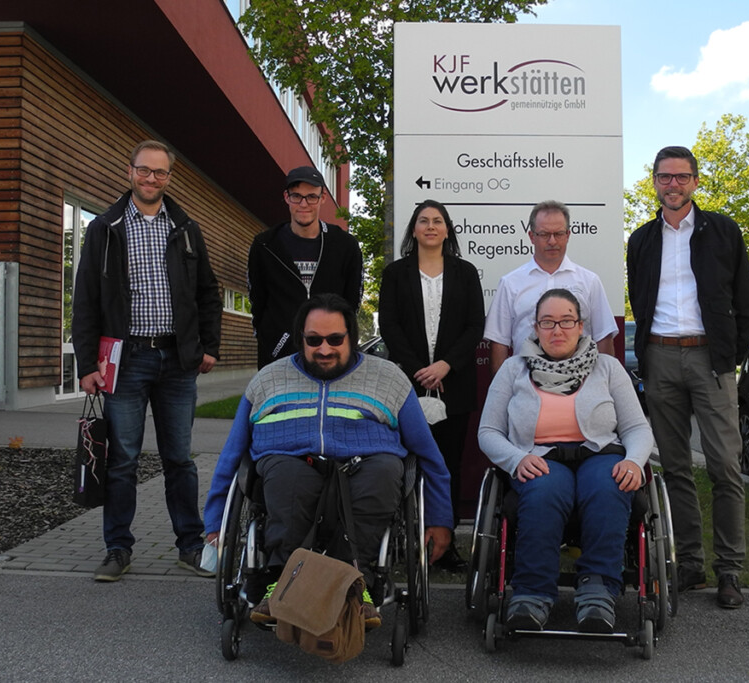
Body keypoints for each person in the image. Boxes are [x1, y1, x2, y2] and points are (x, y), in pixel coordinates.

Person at [203, 293, 453, 629]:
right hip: (290, 467)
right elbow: (232, 454)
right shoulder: (267, 381)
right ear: (300, 339)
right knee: (286, 478)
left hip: (366, 467)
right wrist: (215, 520)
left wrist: (440, 519)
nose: (325, 349)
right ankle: (283, 582)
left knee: (385, 472)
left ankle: (356, 586)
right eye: (314, 340)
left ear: (352, 336)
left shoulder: (389, 379)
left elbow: (428, 454)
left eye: (335, 339)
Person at [72, 139, 222, 582]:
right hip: (126, 359)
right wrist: (86, 365)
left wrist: (208, 345)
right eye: (144, 170)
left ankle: (190, 547)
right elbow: (85, 302)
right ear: (130, 172)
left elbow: (209, 294)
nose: (151, 178)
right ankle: (118, 549)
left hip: (177, 361)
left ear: (169, 177)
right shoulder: (104, 228)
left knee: (180, 459)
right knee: (122, 460)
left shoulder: (186, 228)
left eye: (159, 172)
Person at [626, 145, 749, 609]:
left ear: (696, 182)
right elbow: (639, 303)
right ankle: (690, 564)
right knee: (675, 467)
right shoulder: (641, 240)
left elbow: (746, 300)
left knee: (724, 465)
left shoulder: (722, 231)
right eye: (665, 177)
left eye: (682, 177)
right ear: (655, 182)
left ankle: (730, 570)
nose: (673, 185)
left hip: (711, 359)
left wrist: (731, 355)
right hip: (661, 357)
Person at [478, 289, 653, 633]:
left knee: (609, 485)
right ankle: (531, 594)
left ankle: (598, 593)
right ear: (535, 326)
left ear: (580, 325)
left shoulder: (608, 367)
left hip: (600, 453)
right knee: (545, 491)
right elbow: (488, 431)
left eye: (566, 321)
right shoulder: (514, 369)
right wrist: (515, 459)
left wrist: (633, 461)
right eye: (548, 322)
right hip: (538, 457)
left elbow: (636, 427)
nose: (557, 330)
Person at [379, 199, 485, 571]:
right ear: (413, 229)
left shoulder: (465, 272)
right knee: (405, 462)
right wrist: (418, 369)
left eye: (437, 220)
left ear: (447, 229)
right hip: (407, 385)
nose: (430, 226)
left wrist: (444, 365)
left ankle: (446, 542)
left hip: (453, 386)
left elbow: (476, 326)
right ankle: (403, 539)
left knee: (447, 465)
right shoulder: (395, 274)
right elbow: (388, 326)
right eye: (423, 220)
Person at [247, 166, 363, 368]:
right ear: (286, 197)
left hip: (329, 351)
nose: (304, 204)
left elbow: (352, 300)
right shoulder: (265, 245)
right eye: (296, 197)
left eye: (311, 197)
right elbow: (257, 298)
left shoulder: (344, 245)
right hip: (279, 352)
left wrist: (339, 338)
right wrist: (272, 339)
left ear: (323, 198)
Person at [484, 200, 618, 375]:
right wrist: (502, 389)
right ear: (532, 236)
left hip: (581, 383)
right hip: (526, 384)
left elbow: (603, 337)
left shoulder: (589, 281)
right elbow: (499, 343)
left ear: (568, 235)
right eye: (544, 234)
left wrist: (603, 384)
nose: (552, 241)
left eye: (559, 234)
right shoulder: (510, 283)